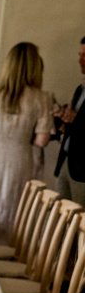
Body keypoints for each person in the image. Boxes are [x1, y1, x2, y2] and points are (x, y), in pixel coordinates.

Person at [0, 42, 53, 245]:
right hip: (21, 159)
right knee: (16, 212)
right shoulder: (41, 98)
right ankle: (11, 256)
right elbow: (42, 139)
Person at [53, 35, 85, 207]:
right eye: (79, 55)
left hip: (82, 170)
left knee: (80, 223)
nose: (80, 60)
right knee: (60, 220)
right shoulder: (80, 89)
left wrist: (76, 119)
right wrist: (65, 120)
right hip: (66, 161)